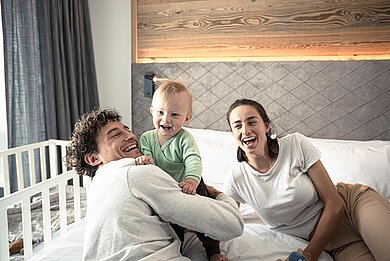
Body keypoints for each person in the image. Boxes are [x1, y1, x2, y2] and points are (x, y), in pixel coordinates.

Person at [64, 108, 244, 261]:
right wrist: (218, 195)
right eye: (116, 134)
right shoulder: (137, 172)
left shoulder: (97, 186)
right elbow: (232, 225)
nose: (131, 136)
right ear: (94, 158)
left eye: (127, 130)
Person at [223, 98, 390, 261]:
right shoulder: (236, 178)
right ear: (233, 134)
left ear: (266, 126)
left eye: (252, 122)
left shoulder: (294, 144)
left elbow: (335, 203)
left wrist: (309, 254)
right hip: (336, 243)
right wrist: (215, 252)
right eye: (237, 126)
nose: (245, 130)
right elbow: (224, 222)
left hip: (353, 207)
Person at [140, 80, 227, 261]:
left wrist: (191, 181)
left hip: (191, 185)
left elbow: (193, 160)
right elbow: (149, 162)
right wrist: (143, 160)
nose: (166, 120)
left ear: (187, 117)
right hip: (168, 191)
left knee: (204, 220)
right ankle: (174, 253)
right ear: (151, 111)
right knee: (171, 225)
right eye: (160, 113)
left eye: (174, 114)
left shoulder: (185, 139)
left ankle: (214, 252)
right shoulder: (146, 138)